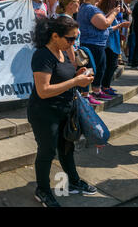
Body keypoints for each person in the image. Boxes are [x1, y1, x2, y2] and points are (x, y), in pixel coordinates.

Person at [28, 16, 96, 208]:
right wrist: (75, 82)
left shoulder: (62, 52)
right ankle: (42, 190)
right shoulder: (42, 55)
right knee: (47, 151)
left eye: (75, 38)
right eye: (70, 39)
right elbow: (43, 91)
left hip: (64, 109)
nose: (73, 43)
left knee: (67, 148)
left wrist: (77, 75)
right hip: (44, 112)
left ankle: (73, 181)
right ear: (55, 36)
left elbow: (62, 78)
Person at [77, 0, 120, 101]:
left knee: (97, 68)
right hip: (92, 44)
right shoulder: (90, 8)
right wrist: (115, 13)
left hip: (95, 44)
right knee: (91, 69)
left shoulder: (87, 7)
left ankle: (93, 91)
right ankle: (88, 93)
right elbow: (104, 24)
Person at [99, 0, 131, 96]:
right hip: (108, 44)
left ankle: (106, 86)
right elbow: (105, 28)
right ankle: (104, 86)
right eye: (117, 2)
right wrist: (120, 25)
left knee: (113, 66)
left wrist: (120, 31)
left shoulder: (113, 14)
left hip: (114, 42)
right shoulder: (105, 14)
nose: (119, 5)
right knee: (109, 66)